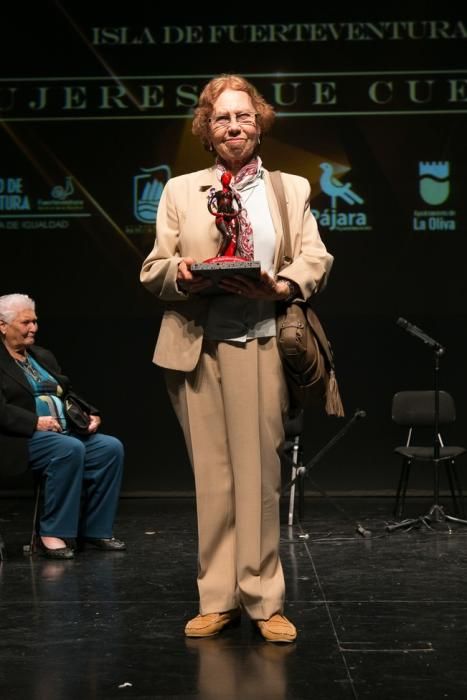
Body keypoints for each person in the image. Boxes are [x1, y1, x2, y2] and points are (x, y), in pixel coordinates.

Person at [140, 74, 333, 643]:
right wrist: (182, 274)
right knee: (215, 478)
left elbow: (316, 256)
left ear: (259, 123)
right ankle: (218, 597)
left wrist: (283, 286)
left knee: (260, 477)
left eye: (243, 117)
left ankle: (263, 597)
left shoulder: (289, 188)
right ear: (207, 128)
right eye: (222, 118)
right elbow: (154, 268)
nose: (234, 127)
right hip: (199, 349)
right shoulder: (181, 191)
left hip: (264, 344)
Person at [0, 293, 126, 560]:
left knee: (109, 447)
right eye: (26, 323)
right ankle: (52, 533)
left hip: (61, 433)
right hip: (19, 437)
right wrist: (34, 422)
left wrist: (90, 413)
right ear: (2, 325)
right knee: (67, 449)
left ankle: (96, 530)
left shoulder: (41, 356)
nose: (33, 328)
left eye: (35, 322)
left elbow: (67, 392)